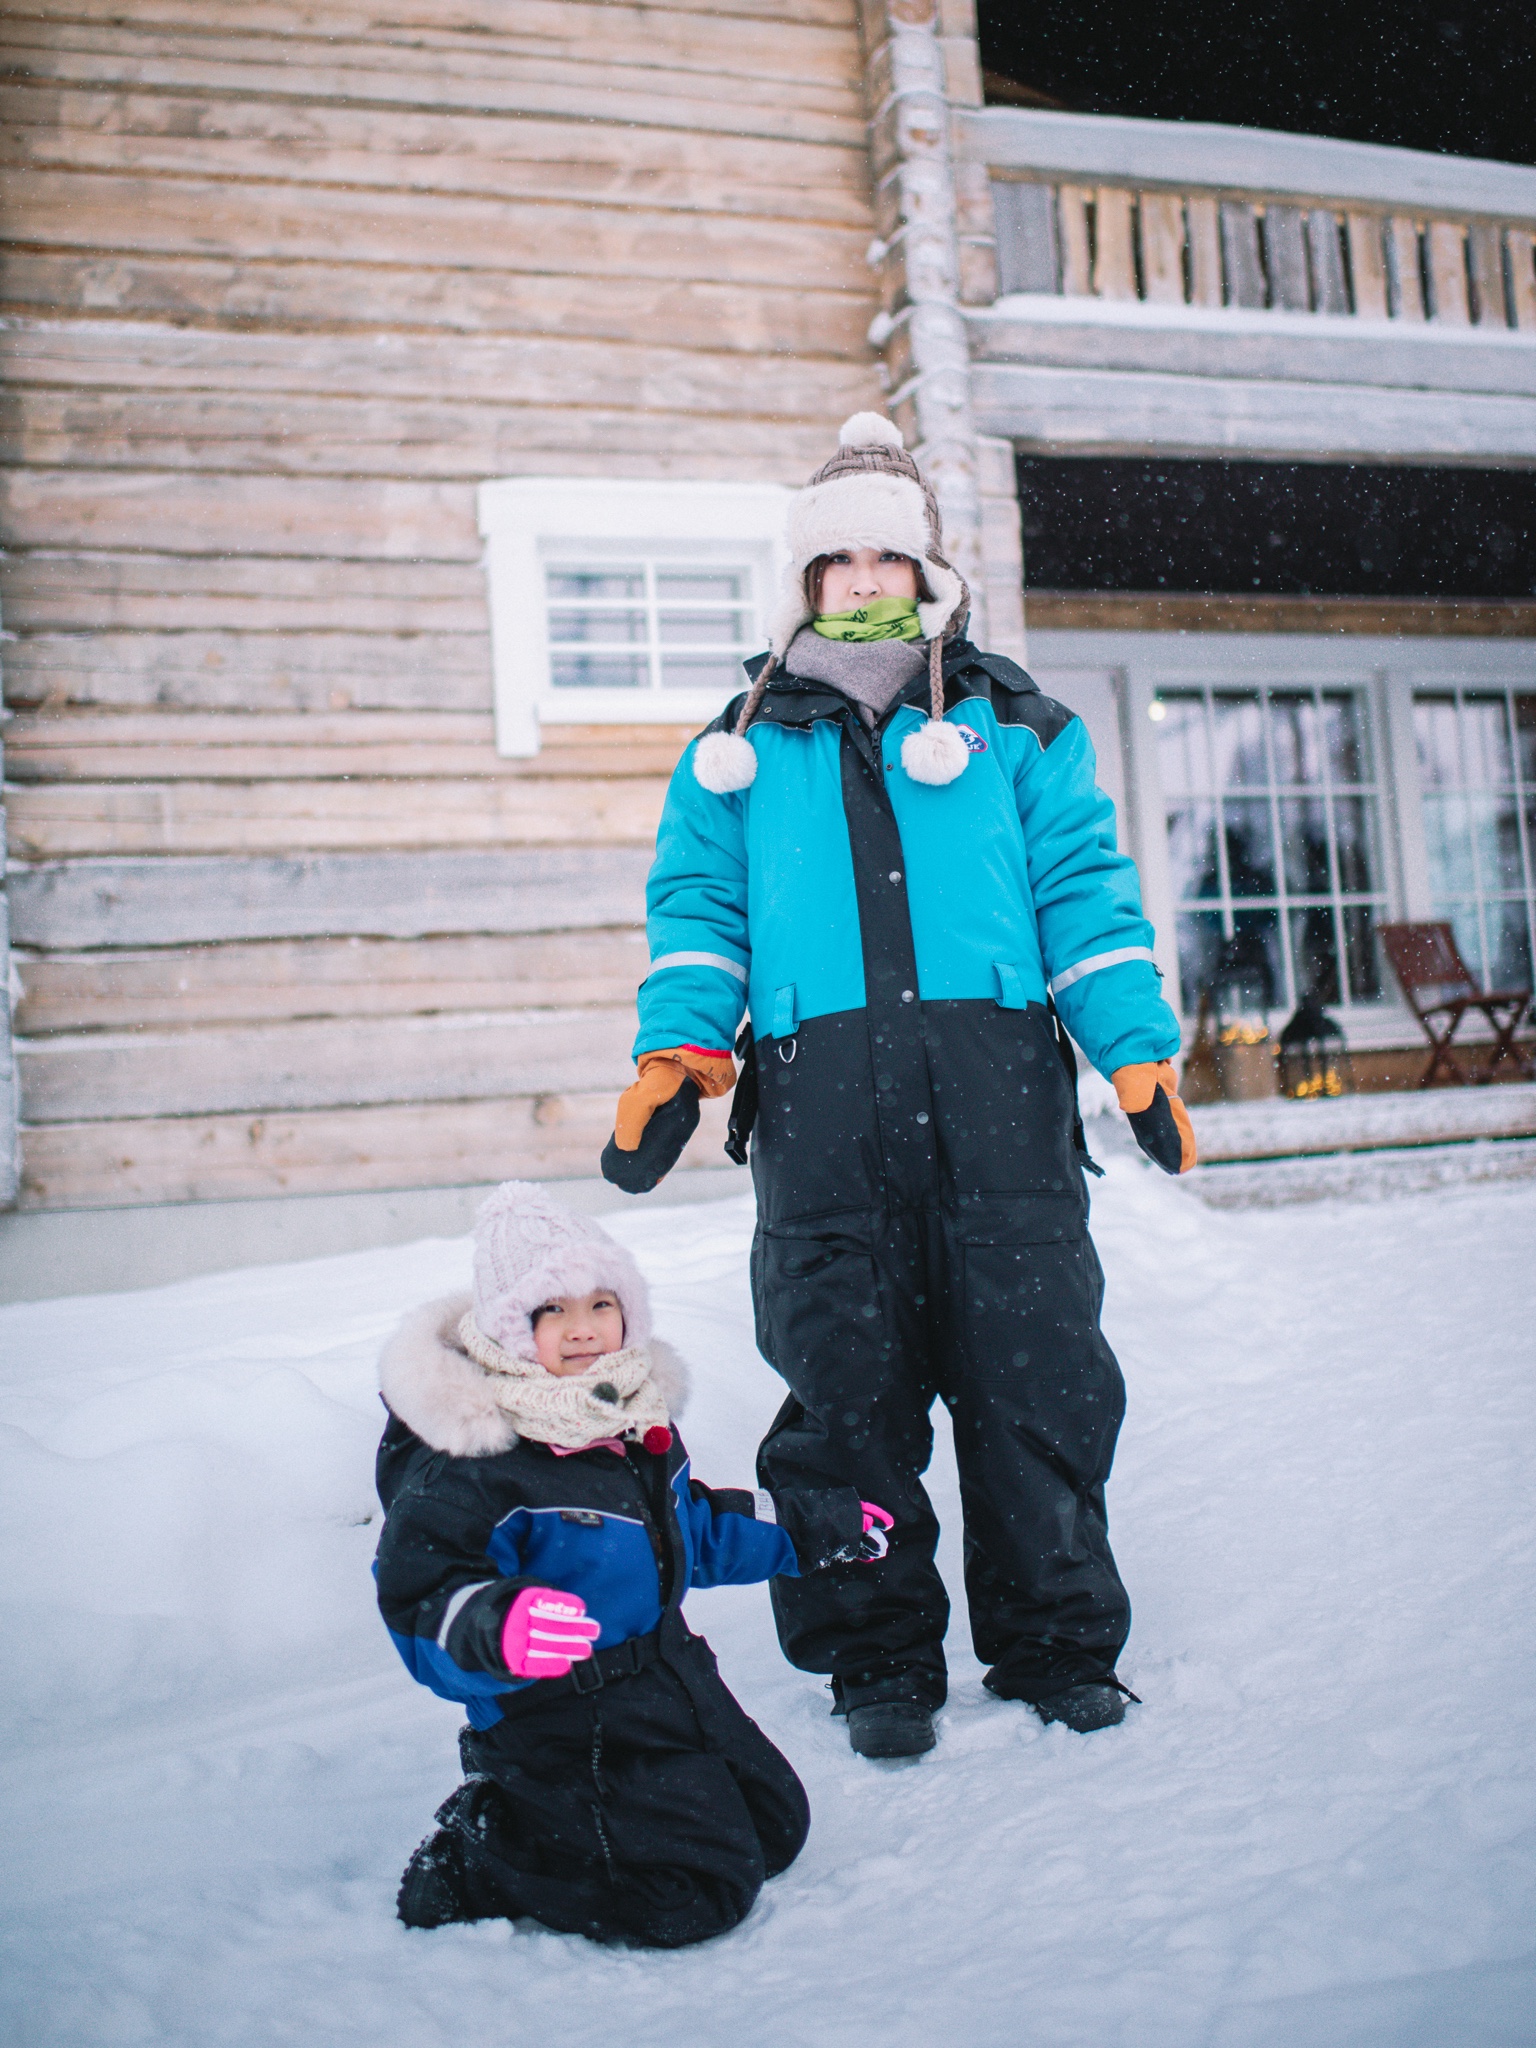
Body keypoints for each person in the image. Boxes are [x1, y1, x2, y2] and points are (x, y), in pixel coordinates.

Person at [602, 413, 1196, 1762]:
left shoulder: (1015, 722)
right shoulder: (735, 749)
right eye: (838, 561)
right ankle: (876, 1656)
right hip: (822, 1113)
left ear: (925, 571)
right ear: (806, 581)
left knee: (1036, 1376)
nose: (863, 581)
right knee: (843, 1396)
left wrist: (1135, 1046)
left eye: (887, 556)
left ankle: (1054, 1640)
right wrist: (675, 1056)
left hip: (1001, 1106)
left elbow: (1085, 899)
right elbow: (697, 914)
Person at [374, 1181, 892, 1947]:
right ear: (511, 1329)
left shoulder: (624, 1413)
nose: (582, 1330)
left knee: (775, 1827)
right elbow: (426, 1596)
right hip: (558, 1719)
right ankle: (488, 1850)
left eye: (600, 1304)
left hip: (666, 1678)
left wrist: (811, 1528)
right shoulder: (476, 1462)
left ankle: (621, 1816)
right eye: (551, 1311)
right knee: (692, 1896)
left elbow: (691, 1529)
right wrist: (496, 1628)